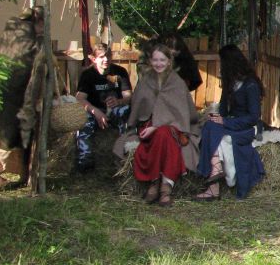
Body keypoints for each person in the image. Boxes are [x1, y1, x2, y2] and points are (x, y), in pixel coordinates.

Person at [115, 44, 199, 207]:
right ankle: (163, 186)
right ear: (150, 61)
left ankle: (160, 185)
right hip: (148, 124)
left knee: (163, 133)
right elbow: (138, 108)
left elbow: (183, 113)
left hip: (174, 126)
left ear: (169, 61)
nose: (159, 63)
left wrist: (158, 125)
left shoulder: (177, 82)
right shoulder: (145, 81)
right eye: (155, 60)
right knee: (159, 134)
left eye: (162, 60)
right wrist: (145, 125)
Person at [0, 8, 44, 188]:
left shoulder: (13, 31)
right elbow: (28, 70)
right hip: (11, 95)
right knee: (4, 135)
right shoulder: (27, 39)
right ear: (38, 22)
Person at [194, 44, 265, 201]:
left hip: (247, 128)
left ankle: (214, 183)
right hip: (232, 124)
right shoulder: (230, 83)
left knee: (212, 130)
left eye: (222, 63)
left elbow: (253, 117)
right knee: (209, 126)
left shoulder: (251, 85)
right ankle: (215, 174)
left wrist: (224, 121)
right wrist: (215, 116)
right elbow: (224, 111)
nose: (220, 67)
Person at [75, 43, 132, 172]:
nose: (106, 59)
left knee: (126, 112)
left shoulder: (120, 72)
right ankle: (85, 160)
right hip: (94, 110)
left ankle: (126, 157)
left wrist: (119, 101)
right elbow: (80, 98)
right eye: (101, 57)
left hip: (115, 109)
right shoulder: (88, 75)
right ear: (94, 59)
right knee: (83, 119)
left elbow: (128, 96)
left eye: (108, 56)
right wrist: (96, 112)